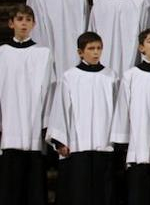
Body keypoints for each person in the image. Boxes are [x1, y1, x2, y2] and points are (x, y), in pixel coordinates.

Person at [47, 32, 116, 205]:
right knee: (79, 192)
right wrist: (60, 141)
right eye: (91, 48)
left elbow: (118, 110)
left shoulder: (111, 76)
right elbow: (60, 107)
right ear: (80, 52)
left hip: (104, 143)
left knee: (103, 192)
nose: (96, 52)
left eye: (99, 48)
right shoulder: (70, 76)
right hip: (78, 145)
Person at [110, 28, 150, 205]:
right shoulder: (131, 75)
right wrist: (123, 141)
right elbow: (123, 109)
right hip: (138, 142)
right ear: (141, 48)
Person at [0, 5, 55, 205]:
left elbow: (49, 88)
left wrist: (46, 123)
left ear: (34, 24)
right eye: (20, 19)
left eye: (28, 20)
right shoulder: (2, 53)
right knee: (10, 185)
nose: (24, 23)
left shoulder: (43, 53)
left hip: (34, 124)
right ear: (11, 23)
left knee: (34, 186)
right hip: (9, 125)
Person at [89, 0, 150, 77]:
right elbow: (92, 33)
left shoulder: (140, 2)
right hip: (103, 56)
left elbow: (145, 34)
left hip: (131, 57)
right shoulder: (99, 2)